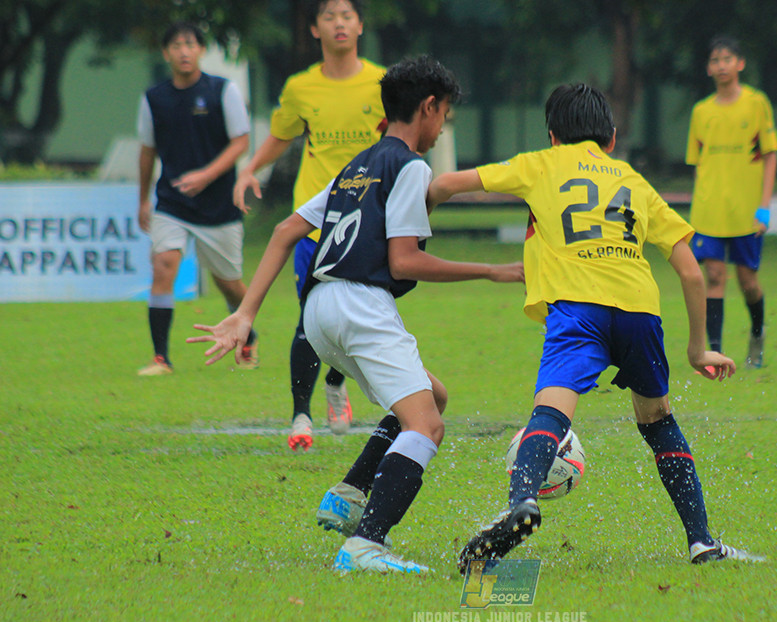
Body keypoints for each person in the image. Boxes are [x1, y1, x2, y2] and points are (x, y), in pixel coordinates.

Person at [188, 56, 524, 574]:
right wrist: (490, 271)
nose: (442, 126)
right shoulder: (411, 165)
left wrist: (245, 313)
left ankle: (348, 493)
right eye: (445, 114)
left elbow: (283, 233)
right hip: (360, 305)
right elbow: (405, 259)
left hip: (319, 308)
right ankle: (366, 545)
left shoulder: (357, 166)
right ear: (428, 108)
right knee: (427, 427)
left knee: (432, 395)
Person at [428, 83, 764, 573]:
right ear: (610, 137)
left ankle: (521, 500)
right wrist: (698, 350)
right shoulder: (632, 179)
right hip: (639, 311)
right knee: (658, 420)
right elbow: (691, 271)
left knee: (551, 412)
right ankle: (702, 542)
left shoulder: (540, 164)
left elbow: (448, 183)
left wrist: (422, 206)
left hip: (578, 311)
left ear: (551, 135)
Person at [234, 0, 386, 447]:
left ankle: (336, 383)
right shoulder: (301, 87)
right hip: (316, 221)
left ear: (359, 24)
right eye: (328, 16)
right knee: (311, 318)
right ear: (315, 29)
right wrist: (249, 169)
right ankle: (301, 416)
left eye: (346, 15)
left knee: (354, 317)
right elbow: (281, 136)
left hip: (367, 220)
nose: (338, 23)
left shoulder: (382, 82)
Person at [136, 21, 257, 376]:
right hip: (171, 203)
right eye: (176, 45)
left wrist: (206, 175)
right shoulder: (154, 99)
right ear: (165, 53)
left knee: (228, 281)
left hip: (219, 205)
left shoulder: (223, 90)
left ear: (201, 50)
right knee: (164, 266)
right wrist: (142, 198)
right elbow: (147, 151)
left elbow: (241, 141)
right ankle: (161, 358)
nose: (184, 51)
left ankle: (248, 333)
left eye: (190, 44)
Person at [685, 35, 777, 368]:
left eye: (727, 59)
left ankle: (757, 334)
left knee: (748, 282)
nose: (721, 65)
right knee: (713, 275)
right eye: (715, 60)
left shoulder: (756, 103)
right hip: (710, 210)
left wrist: (764, 206)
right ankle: (715, 352)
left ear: (739, 64)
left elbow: (769, 155)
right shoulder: (701, 111)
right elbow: (698, 165)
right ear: (708, 68)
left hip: (745, 210)